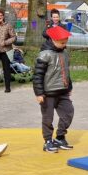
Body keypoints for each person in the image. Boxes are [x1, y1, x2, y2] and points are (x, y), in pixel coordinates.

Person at [33, 25, 75, 153]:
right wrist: (39, 93)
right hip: (48, 94)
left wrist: (69, 86)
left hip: (63, 92)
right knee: (48, 118)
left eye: (66, 42)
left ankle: (60, 137)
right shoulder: (44, 55)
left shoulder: (65, 53)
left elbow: (66, 72)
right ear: (52, 40)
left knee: (68, 113)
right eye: (62, 42)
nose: (64, 45)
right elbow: (38, 75)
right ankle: (48, 141)